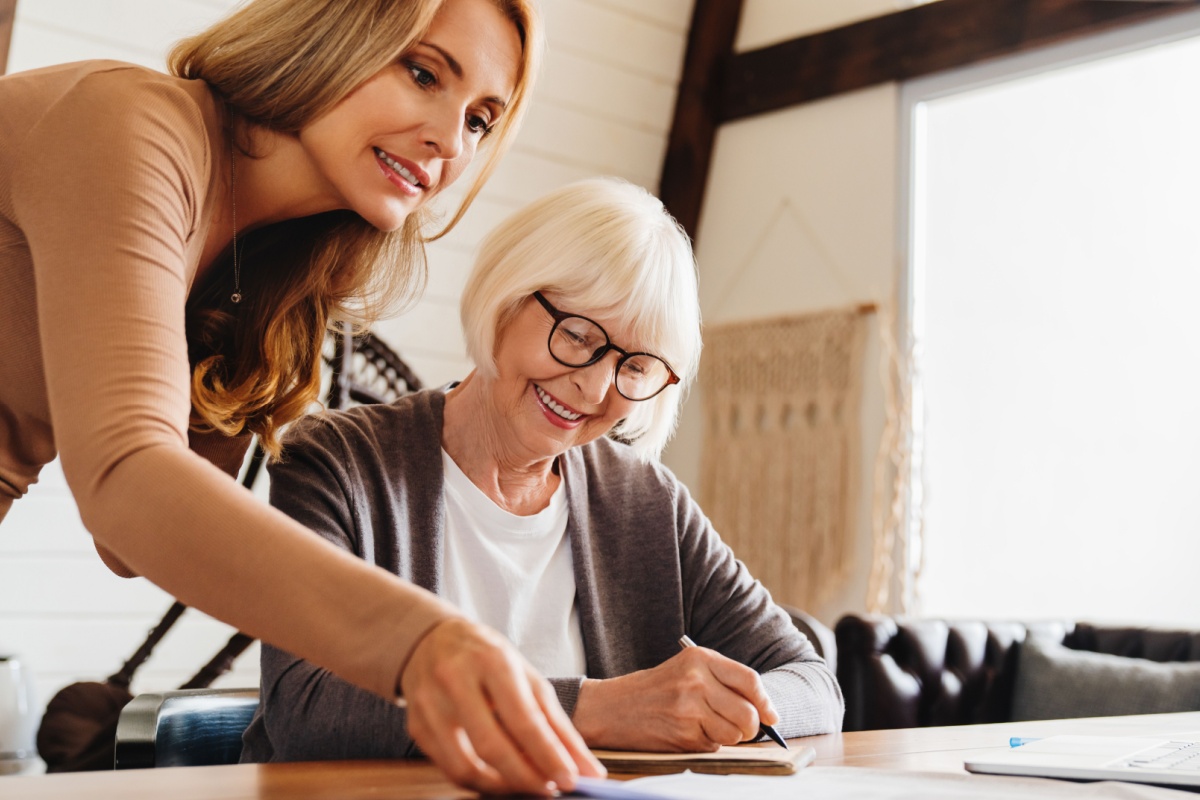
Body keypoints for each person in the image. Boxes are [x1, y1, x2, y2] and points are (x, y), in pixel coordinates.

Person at [0, 0, 604, 793]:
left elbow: (136, 547)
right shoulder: (130, 124)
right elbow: (126, 485)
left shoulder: (263, 270)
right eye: (423, 73)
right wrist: (423, 641)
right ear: (331, 33)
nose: (450, 142)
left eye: (481, 122)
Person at [241, 177, 845, 763]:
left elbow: (814, 685)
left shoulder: (645, 501)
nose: (595, 385)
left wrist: (717, 707)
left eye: (635, 366)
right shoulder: (337, 463)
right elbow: (306, 707)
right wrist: (598, 708)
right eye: (578, 335)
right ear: (506, 299)